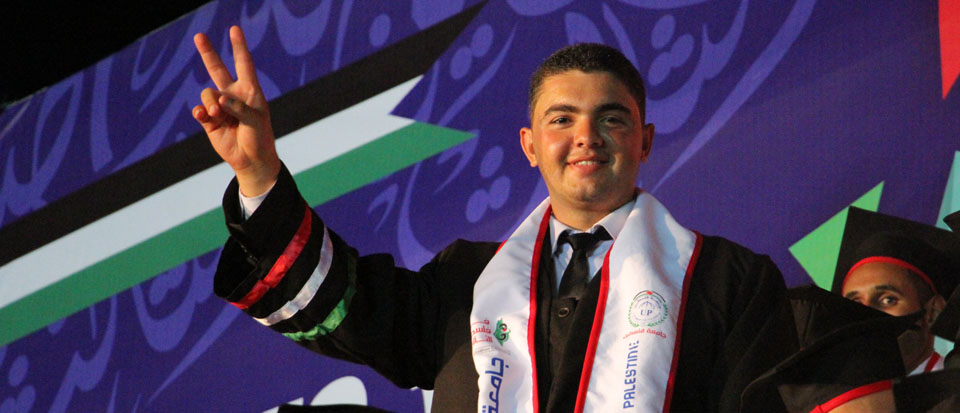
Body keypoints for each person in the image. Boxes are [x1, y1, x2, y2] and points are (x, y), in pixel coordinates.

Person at [192, 25, 797, 412]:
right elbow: (346, 309)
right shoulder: (467, 282)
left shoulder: (727, 281)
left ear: (645, 141)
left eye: (612, 118)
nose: (587, 137)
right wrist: (259, 175)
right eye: (562, 119)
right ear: (530, 146)